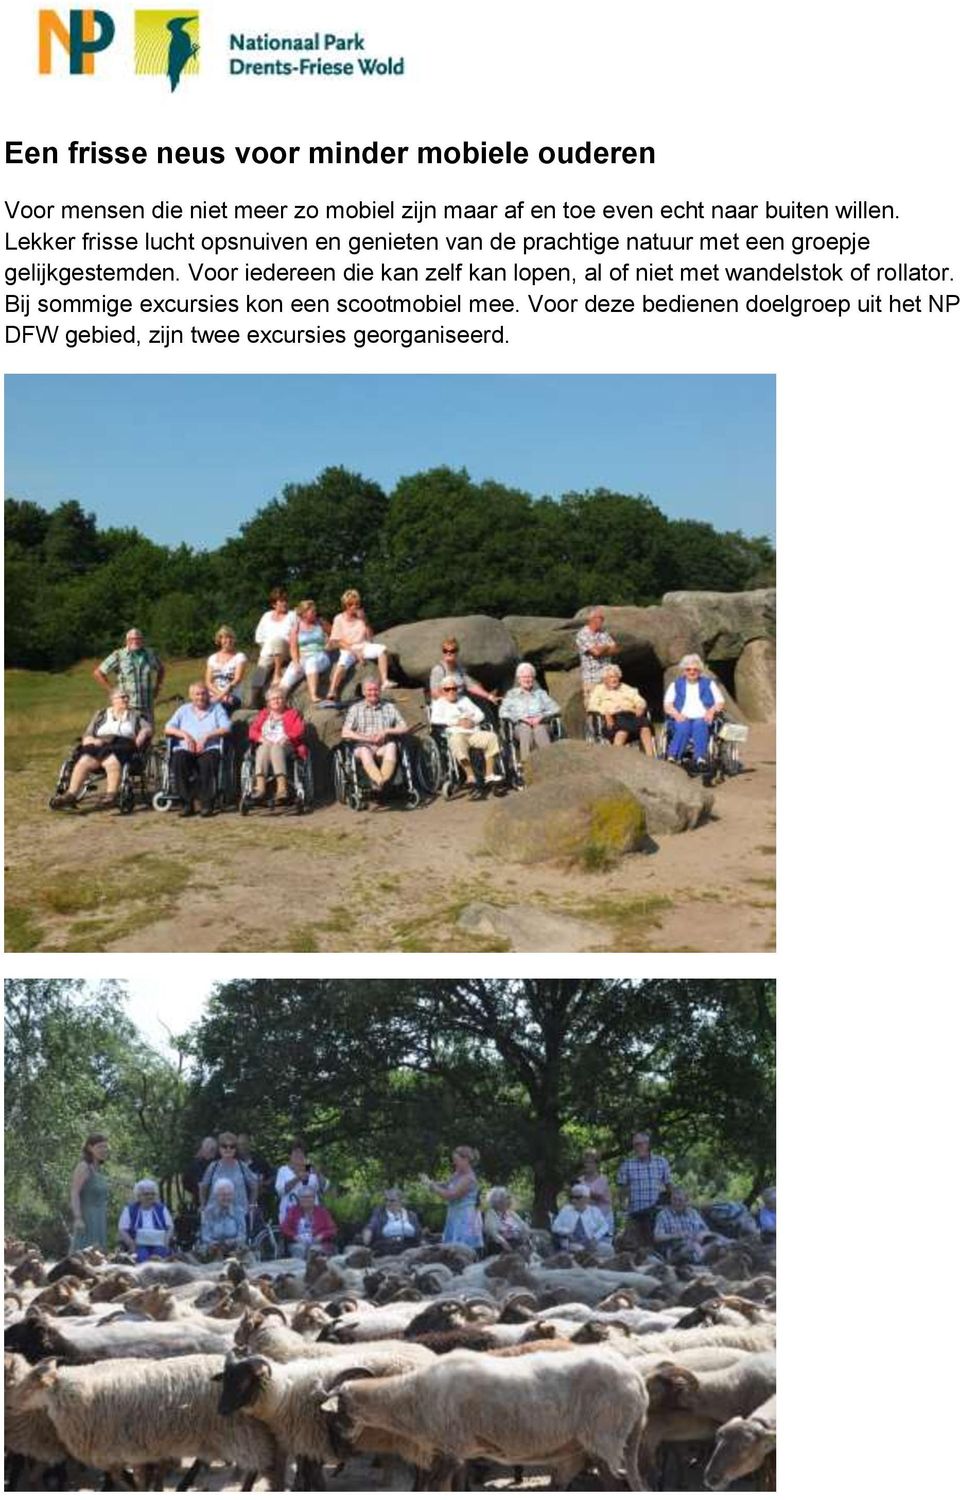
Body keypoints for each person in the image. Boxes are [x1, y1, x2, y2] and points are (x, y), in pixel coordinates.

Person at [51, 689, 152, 810]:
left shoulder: (135, 715)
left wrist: (143, 733)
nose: (126, 699)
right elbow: (88, 733)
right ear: (113, 700)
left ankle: (111, 796)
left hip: (122, 743)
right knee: (84, 761)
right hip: (99, 743)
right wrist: (91, 740)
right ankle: (70, 795)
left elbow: (147, 728)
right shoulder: (101, 714)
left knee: (111, 760)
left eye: (127, 697)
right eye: (122, 697)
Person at [165, 682, 231, 817]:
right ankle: (186, 803)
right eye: (197, 694)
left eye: (203, 694)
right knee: (178, 760)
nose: (200, 697)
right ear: (190, 696)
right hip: (186, 748)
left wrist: (207, 736)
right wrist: (185, 735)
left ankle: (206, 804)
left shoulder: (216, 708)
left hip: (209, 748)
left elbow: (226, 727)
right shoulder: (183, 710)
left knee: (207, 763)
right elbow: (168, 728)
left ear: (208, 695)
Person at [323, 590, 396, 703]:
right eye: (351, 604)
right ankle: (332, 690)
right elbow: (336, 640)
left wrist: (365, 621)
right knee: (343, 662)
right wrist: (355, 652)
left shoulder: (361, 618)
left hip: (363, 645)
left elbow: (370, 638)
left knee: (382, 649)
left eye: (357, 604)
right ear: (345, 605)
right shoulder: (339, 618)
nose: (354, 607)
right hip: (348, 647)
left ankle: (384, 681)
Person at [430, 677, 504, 789]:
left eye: (454, 688)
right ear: (442, 691)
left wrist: (472, 721)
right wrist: (457, 722)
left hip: (473, 732)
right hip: (456, 733)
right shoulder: (439, 703)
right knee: (456, 742)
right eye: (447, 689)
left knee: (492, 737)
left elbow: (480, 714)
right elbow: (435, 720)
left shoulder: (464, 700)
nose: (451, 691)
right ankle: (470, 776)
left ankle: (489, 775)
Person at [341, 679, 409, 791]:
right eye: (369, 690)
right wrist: (367, 738)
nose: (373, 693)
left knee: (392, 745)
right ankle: (380, 780)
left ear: (380, 691)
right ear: (363, 692)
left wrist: (386, 731)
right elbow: (345, 732)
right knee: (364, 750)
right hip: (363, 746)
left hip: (382, 746)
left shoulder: (389, 707)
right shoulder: (355, 709)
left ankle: (382, 781)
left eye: (376, 690)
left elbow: (404, 728)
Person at [663, 654, 726, 770]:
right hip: (682, 716)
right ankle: (673, 756)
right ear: (684, 670)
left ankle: (700, 758)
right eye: (688, 669)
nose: (692, 672)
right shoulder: (676, 684)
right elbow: (667, 704)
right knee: (683, 727)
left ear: (700, 670)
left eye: (695, 669)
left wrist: (711, 711)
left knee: (700, 724)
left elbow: (720, 702)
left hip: (703, 717)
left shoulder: (708, 683)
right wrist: (676, 714)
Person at [247, 686, 307, 804]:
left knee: (276, 748)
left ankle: (282, 788)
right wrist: (261, 739)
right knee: (263, 748)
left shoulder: (292, 713)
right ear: (268, 702)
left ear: (285, 700)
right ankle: (260, 787)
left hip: (287, 745)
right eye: (273, 699)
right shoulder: (263, 714)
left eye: (280, 698)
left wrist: (287, 737)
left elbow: (299, 730)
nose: (276, 701)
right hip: (266, 744)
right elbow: (252, 731)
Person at [93, 628, 165, 718]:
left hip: (147, 705)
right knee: (128, 731)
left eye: (138, 638)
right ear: (127, 641)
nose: (135, 641)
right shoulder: (118, 655)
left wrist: (157, 687)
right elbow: (98, 672)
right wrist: (112, 691)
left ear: (142, 640)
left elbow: (161, 669)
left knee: (148, 731)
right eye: (132, 639)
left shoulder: (150, 654)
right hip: (127, 705)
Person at [420, 1146, 482, 1249]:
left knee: (462, 1249)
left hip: (464, 1218)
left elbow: (451, 1195)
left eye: (456, 1160)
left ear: (466, 1160)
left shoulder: (469, 1178)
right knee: (450, 1249)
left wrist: (432, 1187)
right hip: (454, 1215)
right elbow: (445, 1185)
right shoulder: (457, 1174)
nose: (454, 1163)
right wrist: (430, 1182)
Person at [616, 1131, 672, 1245]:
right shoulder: (627, 1165)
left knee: (656, 1245)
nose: (639, 1147)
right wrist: (623, 1206)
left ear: (648, 1144)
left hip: (656, 1213)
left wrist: (672, 1205)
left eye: (642, 1144)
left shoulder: (661, 1162)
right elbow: (622, 1189)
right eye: (636, 1144)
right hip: (636, 1213)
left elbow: (669, 1186)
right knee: (634, 1246)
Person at [587, 664, 655, 755]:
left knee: (645, 725)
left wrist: (640, 707)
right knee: (623, 728)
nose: (614, 679)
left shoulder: (626, 688)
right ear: (604, 679)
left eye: (616, 676)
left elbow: (640, 700)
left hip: (631, 715)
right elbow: (591, 706)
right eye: (611, 677)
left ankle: (650, 757)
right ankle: (616, 758)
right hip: (612, 718)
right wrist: (606, 712)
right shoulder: (599, 690)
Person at [498, 663, 561, 759]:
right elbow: (502, 712)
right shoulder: (511, 695)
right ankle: (527, 764)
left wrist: (541, 717)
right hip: (520, 726)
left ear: (533, 679)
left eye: (530, 677)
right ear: (519, 679)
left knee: (539, 730)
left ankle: (548, 762)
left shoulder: (541, 694)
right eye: (524, 677)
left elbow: (556, 709)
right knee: (525, 730)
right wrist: (520, 718)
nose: (527, 680)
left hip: (541, 724)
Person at [281, 600, 333, 704]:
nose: (315, 613)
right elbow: (293, 648)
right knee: (287, 679)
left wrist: (329, 643)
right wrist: (296, 663)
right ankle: (277, 702)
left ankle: (313, 695)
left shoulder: (320, 623)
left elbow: (335, 633)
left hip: (320, 656)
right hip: (303, 657)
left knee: (311, 662)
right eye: (312, 611)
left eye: (315, 611)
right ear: (304, 613)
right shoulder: (296, 627)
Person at [199, 1132, 258, 1215]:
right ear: (219, 1149)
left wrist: (252, 1204)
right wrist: (203, 1205)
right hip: (215, 1214)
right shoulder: (213, 1166)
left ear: (235, 1149)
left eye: (232, 1146)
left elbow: (254, 1185)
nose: (228, 1149)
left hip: (240, 1214)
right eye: (224, 1146)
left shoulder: (242, 1166)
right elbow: (203, 1187)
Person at [429, 638, 501, 706]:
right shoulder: (438, 670)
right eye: (445, 651)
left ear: (457, 653)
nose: (448, 653)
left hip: (460, 702)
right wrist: (452, 702)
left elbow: (470, 685)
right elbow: (434, 693)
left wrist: (489, 696)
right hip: (444, 705)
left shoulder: (459, 668)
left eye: (452, 651)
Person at [69, 1134, 110, 1252]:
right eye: (100, 1147)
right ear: (90, 1148)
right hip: (86, 1218)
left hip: (99, 1218)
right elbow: (74, 1192)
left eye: (105, 1147)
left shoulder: (99, 1170)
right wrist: (78, 1217)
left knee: (98, 1256)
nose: (104, 1150)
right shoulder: (83, 1167)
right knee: (83, 1254)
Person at [117, 1180, 174, 1262]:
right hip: (138, 1244)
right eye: (146, 1194)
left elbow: (170, 1227)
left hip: (159, 1243)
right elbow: (122, 1229)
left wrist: (166, 1241)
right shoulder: (129, 1209)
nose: (150, 1196)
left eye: (153, 1194)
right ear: (138, 1196)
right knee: (141, 1256)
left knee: (160, 1255)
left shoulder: (161, 1209)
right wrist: (131, 1244)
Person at [653, 1187, 714, 1263]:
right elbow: (657, 1237)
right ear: (671, 1200)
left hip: (698, 1244)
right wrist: (676, 1235)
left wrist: (701, 1234)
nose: (676, 1203)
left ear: (686, 1201)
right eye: (674, 1199)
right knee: (693, 1246)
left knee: (717, 1244)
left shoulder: (693, 1213)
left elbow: (707, 1231)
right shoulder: (663, 1215)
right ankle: (701, 1261)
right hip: (675, 1248)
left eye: (680, 1200)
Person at [280, 1183, 338, 1258]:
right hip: (299, 1243)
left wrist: (321, 1236)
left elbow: (332, 1229)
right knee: (299, 1249)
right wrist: (295, 1236)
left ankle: (316, 1269)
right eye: (303, 1197)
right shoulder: (293, 1211)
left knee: (315, 1250)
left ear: (314, 1199)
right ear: (299, 1199)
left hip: (318, 1243)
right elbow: (284, 1228)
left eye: (309, 1197)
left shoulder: (322, 1212)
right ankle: (300, 1269)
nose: (306, 1200)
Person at [552, 1184, 613, 1254]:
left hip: (590, 1243)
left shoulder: (594, 1211)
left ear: (586, 1199)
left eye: (577, 1197)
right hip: (570, 1243)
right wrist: (567, 1232)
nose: (573, 1200)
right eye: (572, 1197)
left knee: (608, 1249)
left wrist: (595, 1238)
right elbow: (555, 1227)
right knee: (579, 1250)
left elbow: (605, 1226)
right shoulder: (566, 1210)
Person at [575, 608, 618, 706]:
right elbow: (596, 652)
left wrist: (601, 648)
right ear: (592, 619)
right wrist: (607, 647)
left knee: (609, 706)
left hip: (607, 678)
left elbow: (615, 649)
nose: (602, 621)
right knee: (593, 707)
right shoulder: (582, 634)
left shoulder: (604, 633)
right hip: (592, 679)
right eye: (600, 618)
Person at [254, 588, 298, 686]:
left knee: (277, 641)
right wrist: (268, 648)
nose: (285, 603)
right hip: (268, 653)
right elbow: (259, 637)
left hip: (286, 650)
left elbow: (297, 635)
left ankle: (277, 674)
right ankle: (255, 700)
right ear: (274, 604)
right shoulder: (266, 616)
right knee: (256, 682)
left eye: (286, 601)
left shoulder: (292, 615)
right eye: (282, 601)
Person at [361, 1188, 422, 1255]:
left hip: (409, 1247)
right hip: (386, 1248)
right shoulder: (380, 1214)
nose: (388, 1203)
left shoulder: (411, 1215)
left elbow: (418, 1234)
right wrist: (367, 1232)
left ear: (400, 1201)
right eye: (386, 1200)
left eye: (392, 1200)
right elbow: (371, 1225)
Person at [275, 1141, 328, 1215]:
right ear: (290, 1156)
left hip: (311, 1216)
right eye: (296, 1153)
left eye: (301, 1153)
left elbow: (324, 1187)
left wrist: (318, 1174)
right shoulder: (283, 1170)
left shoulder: (310, 1168)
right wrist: (298, 1178)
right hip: (288, 1216)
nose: (299, 1155)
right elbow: (280, 1190)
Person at [199, 1179, 246, 1258]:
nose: (226, 1198)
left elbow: (242, 1235)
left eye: (229, 1194)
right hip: (214, 1250)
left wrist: (233, 1241)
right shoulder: (209, 1212)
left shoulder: (238, 1211)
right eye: (223, 1195)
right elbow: (205, 1235)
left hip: (234, 1248)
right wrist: (213, 1243)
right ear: (216, 1196)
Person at [205, 627, 247, 714]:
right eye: (224, 638)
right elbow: (208, 682)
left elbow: (237, 679)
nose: (228, 640)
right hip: (214, 694)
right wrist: (220, 695)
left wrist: (223, 696)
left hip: (232, 696)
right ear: (219, 640)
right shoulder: (212, 658)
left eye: (230, 637)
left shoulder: (239, 657)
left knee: (221, 708)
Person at [483, 1187, 532, 1254]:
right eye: (507, 1198)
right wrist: (504, 1244)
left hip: (518, 1244)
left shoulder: (511, 1213)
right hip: (501, 1247)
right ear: (498, 1201)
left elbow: (524, 1227)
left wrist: (526, 1239)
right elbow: (493, 1233)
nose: (510, 1200)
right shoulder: (491, 1214)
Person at [580, 1149, 615, 1233]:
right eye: (585, 1162)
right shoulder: (580, 1180)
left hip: (604, 1219)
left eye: (590, 1162)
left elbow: (598, 1196)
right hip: (587, 1221)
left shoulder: (603, 1179)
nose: (587, 1165)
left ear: (596, 1164)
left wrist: (580, 1190)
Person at [182, 1136, 219, 1209]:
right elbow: (201, 1186)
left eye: (214, 1150)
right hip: (204, 1203)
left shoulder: (215, 1163)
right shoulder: (196, 1165)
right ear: (204, 1148)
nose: (213, 1153)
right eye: (211, 1150)